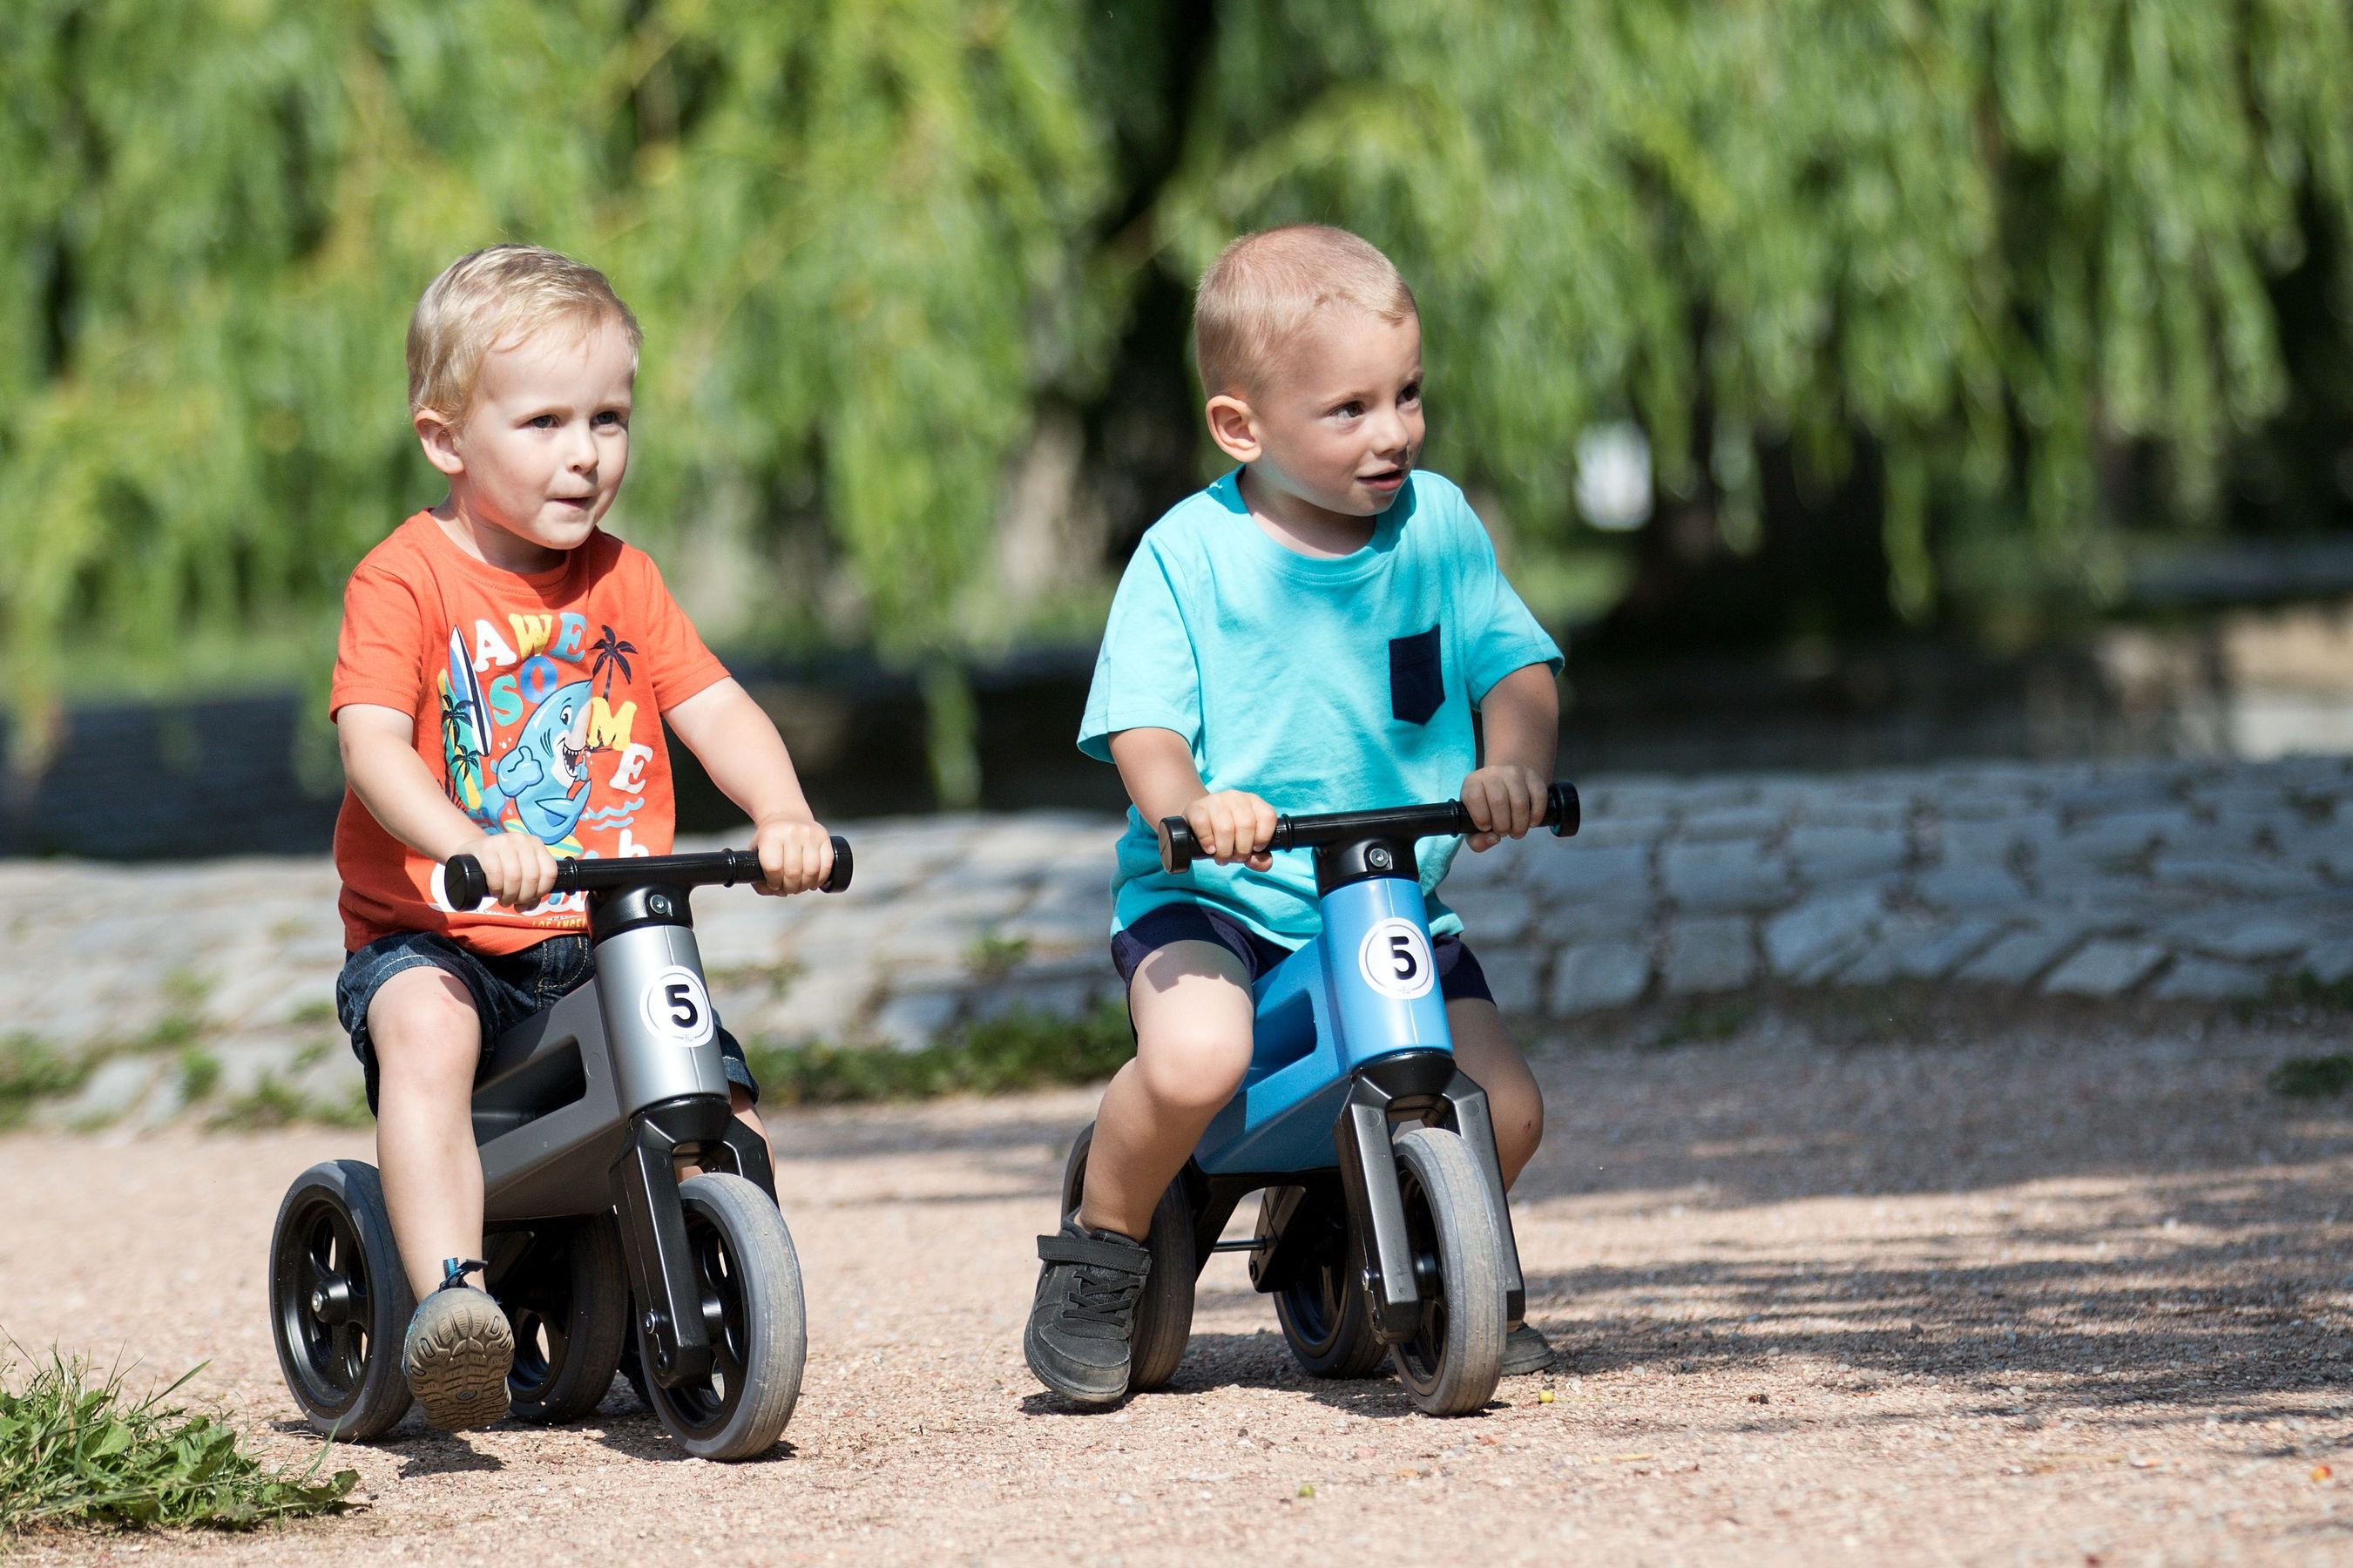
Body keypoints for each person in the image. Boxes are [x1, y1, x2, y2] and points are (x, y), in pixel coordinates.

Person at [1025, 224, 1565, 1405]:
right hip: (1216, 902)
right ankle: (1102, 1248)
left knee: (1511, 1110)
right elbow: (1144, 725)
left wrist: (1511, 765)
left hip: (1383, 896)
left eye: (1407, 395)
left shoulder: (1437, 527)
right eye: (1349, 409)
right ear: (1242, 426)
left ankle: (1403, 1248)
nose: (1393, 432)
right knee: (1196, 1059)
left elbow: (1514, 668)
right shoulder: (1188, 555)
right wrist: (1188, 806)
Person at [330, 244, 835, 1429]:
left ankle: (718, 1291)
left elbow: (715, 707)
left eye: (609, 418)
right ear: (446, 440)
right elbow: (373, 745)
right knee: (425, 1032)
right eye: (545, 421)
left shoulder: (626, 580)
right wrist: (465, 839)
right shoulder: (404, 582)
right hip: (441, 933)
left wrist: (782, 814)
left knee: (719, 1097)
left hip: (602, 930)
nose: (586, 453)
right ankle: (452, 1301)